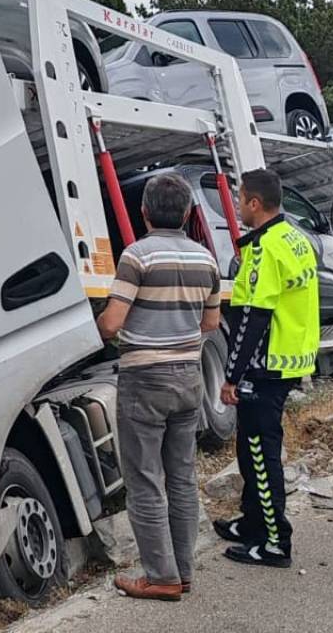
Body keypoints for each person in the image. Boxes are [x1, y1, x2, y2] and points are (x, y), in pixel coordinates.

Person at [96, 174, 221, 602]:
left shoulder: (137, 256)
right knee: (182, 477)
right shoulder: (206, 259)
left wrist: (105, 328)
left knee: (145, 479)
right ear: (187, 214)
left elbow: (112, 323)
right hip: (188, 377)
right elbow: (211, 324)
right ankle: (183, 572)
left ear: (144, 212)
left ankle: (160, 576)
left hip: (144, 380)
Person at [213, 169, 320, 569]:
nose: (239, 207)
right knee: (250, 448)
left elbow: (253, 318)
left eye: (241, 200)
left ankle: (275, 542)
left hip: (265, 365)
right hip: (290, 358)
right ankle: (253, 523)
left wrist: (231, 375)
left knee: (260, 454)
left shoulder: (263, 249)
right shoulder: (296, 238)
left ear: (254, 203)